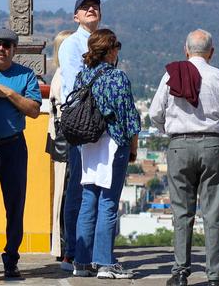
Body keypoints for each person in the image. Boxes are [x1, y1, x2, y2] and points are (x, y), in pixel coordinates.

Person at [150, 30, 219, 286]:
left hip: (179, 146)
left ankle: (179, 272)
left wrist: (169, 130)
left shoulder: (171, 74)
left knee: (182, 211)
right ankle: (215, 276)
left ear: (186, 50)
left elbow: (156, 113)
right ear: (211, 52)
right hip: (213, 145)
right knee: (213, 213)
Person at [72, 29, 140, 280]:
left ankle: (81, 260)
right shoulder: (118, 78)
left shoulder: (82, 76)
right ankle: (104, 263)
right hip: (113, 144)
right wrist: (133, 147)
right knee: (108, 202)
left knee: (88, 200)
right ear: (110, 50)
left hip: (88, 145)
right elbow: (129, 118)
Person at [0, 28, 41, 279]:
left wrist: (9, 93)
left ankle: (11, 259)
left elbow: (34, 110)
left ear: (14, 49)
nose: (1, 48)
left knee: (15, 205)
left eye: (6, 44)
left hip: (13, 145)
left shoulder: (25, 75)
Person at [58, 0, 102, 271]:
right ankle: (71, 250)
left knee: (97, 187)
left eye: (95, 7)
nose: (91, 10)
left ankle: (93, 250)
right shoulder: (71, 45)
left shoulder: (104, 42)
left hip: (99, 122)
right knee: (77, 186)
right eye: (85, 8)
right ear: (76, 17)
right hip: (80, 121)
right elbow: (78, 81)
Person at [47, 29, 74, 262]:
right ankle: (65, 244)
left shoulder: (60, 74)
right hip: (66, 142)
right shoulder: (64, 76)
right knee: (67, 195)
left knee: (65, 195)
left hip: (60, 141)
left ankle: (65, 243)